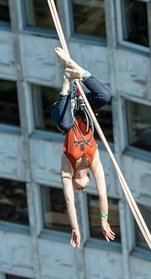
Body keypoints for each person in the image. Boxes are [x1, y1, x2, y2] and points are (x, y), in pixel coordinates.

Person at [50, 47, 116, 247]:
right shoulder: (93, 162)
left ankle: (67, 81)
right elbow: (103, 195)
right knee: (105, 96)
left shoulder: (67, 169)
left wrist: (75, 229)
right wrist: (104, 219)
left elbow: (69, 201)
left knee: (65, 125)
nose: (80, 186)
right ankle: (79, 72)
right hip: (80, 108)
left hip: (63, 112)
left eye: (77, 187)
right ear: (87, 177)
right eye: (84, 186)